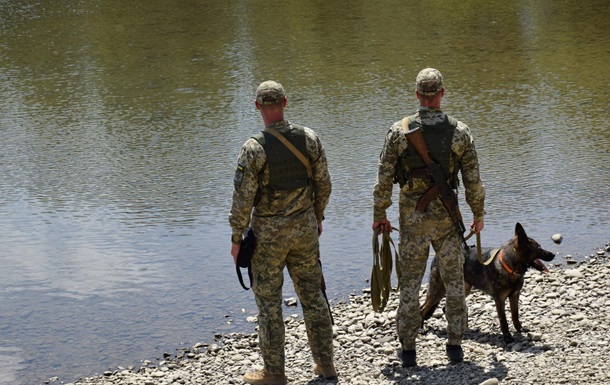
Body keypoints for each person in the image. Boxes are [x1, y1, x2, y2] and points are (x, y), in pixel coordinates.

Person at [372, 68, 485, 367]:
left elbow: (383, 177)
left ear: (418, 95)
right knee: (453, 282)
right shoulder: (460, 132)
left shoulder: (399, 131)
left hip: (413, 222)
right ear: (443, 94)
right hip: (448, 223)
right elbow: (473, 180)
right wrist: (478, 214)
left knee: (409, 284)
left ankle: (408, 350)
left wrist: (379, 214)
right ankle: (455, 346)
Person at [229, 80, 336, 385]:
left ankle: (275, 373)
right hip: (304, 232)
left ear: (257, 107)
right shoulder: (310, 139)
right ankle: (326, 365)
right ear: (285, 102)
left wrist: (237, 238)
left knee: (269, 304)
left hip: (268, 238)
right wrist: (316, 216)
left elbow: (242, 201)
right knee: (313, 297)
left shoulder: (254, 148)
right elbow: (324, 184)